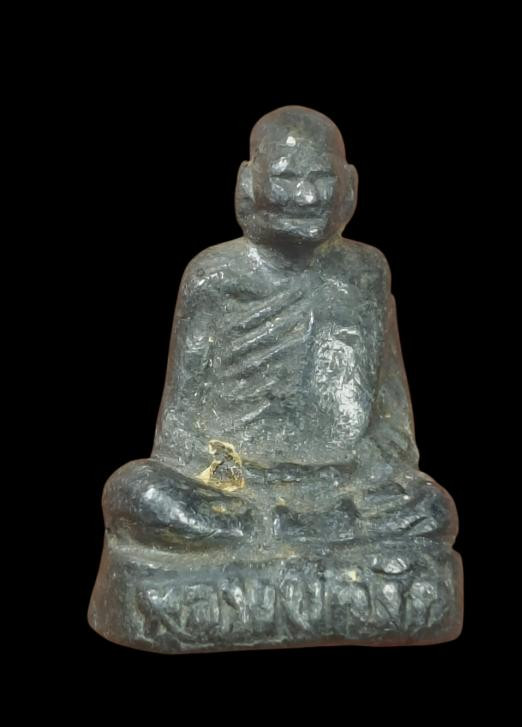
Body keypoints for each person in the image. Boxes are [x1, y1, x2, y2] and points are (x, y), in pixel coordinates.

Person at [100, 105, 458, 555]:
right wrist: (248, 480)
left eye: (322, 178)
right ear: (248, 183)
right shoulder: (215, 277)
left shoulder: (366, 274)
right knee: (137, 491)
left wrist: (350, 473)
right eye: (286, 178)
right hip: (236, 486)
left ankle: (284, 531)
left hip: (341, 487)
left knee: (434, 508)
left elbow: (393, 425)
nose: (306, 197)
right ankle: (288, 530)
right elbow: (177, 434)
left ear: (349, 184)